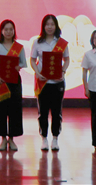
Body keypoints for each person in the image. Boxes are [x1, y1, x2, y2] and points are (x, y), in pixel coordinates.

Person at [30, 14, 70, 151]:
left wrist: (63, 72)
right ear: (43, 26)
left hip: (58, 82)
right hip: (43, 83)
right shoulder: (37, 42)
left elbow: (67, 59)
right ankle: (44, 138)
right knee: (43, 111)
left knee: (57, 111)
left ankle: (55, 138)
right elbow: (32, 60)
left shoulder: (61, 43)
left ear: (56, 26)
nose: (50, 27)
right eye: (47, 24)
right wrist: (37, 72)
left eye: (52, 24)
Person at [0, 19, 27, 152]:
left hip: (14, 82)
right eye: (6, 29)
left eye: (11, 29)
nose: (9, 32)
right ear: (1, 31)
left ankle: (12, 139)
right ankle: (3, 139)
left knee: (14, 110)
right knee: (0, 110)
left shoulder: (19, 47)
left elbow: (23, 63)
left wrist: (18, 67)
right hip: (0, 81)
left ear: (14, 31)